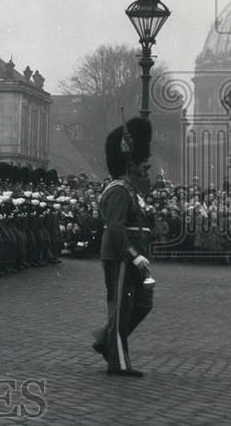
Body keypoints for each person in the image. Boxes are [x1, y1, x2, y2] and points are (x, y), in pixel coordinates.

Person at [92, 116, 154, 378]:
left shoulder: (130, 189)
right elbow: (116, 228)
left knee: (143, 302)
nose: (146, 167)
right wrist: (132, 254)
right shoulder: (118, 190)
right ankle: (117, 362)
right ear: (131, 161)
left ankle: (106, 339)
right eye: (142, 163)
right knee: (122, 308)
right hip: (120, 256)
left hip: (133, 255)